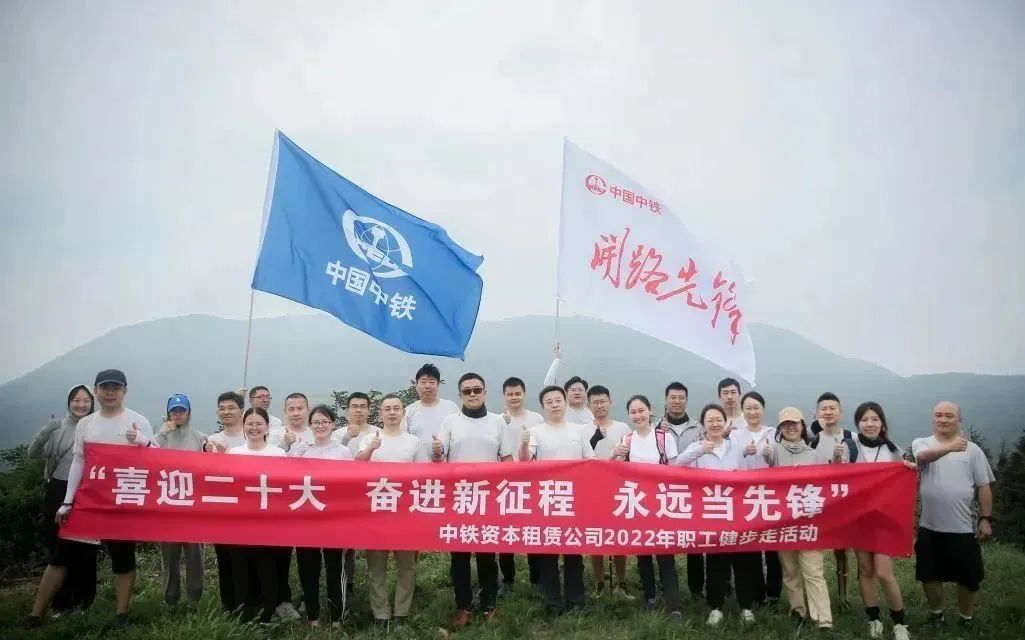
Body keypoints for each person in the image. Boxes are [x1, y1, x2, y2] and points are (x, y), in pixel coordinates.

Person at [28, 369, 157, 630]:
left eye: (115, 388)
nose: (110, 392)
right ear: (96, 391)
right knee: (62, 554)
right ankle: (35, 614)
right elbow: (78, 461)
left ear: (124, 391)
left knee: (123, 557)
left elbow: (157, 458)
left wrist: (142, 441)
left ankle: (121, 614)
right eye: (104, 387)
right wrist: (68, 501)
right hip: (88, 499)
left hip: (122, 500)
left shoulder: (138, 421)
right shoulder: (87, 424)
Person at [433, 373, 516, 629]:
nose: (472, 394)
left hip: (488, 498)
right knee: (459, 556)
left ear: (485, 393)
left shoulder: (498, 422)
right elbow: (439, 457)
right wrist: (437, 453)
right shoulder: (450, 422)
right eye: (467, 391)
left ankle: (489, 605)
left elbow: (507, 459)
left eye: (476, 390)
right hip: (458, 498)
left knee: (486, 555)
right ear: (460, 395)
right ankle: (463, 607)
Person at [912, 401, 994, 631]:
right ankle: (936, 615)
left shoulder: (973, 450)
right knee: (929, 575)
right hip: (929, 525)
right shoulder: (922, 443)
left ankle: (965, 618)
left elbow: (984, 486)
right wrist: (949, 448)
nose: (943, 419)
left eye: (949, 415)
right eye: (938, 415)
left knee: (968, 578)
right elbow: (923, 457)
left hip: (963, 526)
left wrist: (986, 519)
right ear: (933, 418)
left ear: (959, 419)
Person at [676, 403, 756, 626]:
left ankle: (746, 607)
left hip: (737, 512)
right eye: (710, 420)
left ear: (725, 422)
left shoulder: (736, 447)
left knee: (742, 561)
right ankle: (716, 607)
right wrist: (700, 450)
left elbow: (746, 475)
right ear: (703, 424)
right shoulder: (698, 448)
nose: (715, 424)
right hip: (711, 513)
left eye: (718, 420)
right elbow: (679, 463)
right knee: (715, 563)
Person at [520, 385, 596, 616]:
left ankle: (576, 600)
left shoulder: (578, 431)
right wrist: (523, 443)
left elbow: (590, 460)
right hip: (546, 498)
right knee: (548, 552)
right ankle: (553, 602)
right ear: (543, 406)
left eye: (558, 400)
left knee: (573, 551)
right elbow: (525, 462)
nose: (554, 405)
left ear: (565, 403)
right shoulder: (536, 431)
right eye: (549, 402)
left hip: (573, 498)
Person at [27, 385, 98, 615]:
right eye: (76, 400)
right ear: (69, 402)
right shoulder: (58, 428)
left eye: (86, 401)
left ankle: (84, 601)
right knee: (58, 546)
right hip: (58, 489)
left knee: (86, 547)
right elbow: (33, 453)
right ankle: (61, 602)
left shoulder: (96, 426)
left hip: (87, 491)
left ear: (92, 403)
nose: (81, 405)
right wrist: (46, 431)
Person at [611, 395, 682, 621]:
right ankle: (650, 597)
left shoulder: (664, 438)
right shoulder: (626, 440)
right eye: (633, 412)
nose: (638, 415)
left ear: (650, 410)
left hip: (661, 505)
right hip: (637, 505)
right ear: (629, 415)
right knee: (643, 555)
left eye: (641, 410)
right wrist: (615, 454)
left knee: (665, 556)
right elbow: (613, 471)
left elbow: (675, 472)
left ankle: (674, 604)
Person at [357, 395, 426, 625]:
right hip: (376, 511)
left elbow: (424, 475)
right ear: (380, 413)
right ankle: (381, 614)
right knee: (376, 565)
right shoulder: (370, 438)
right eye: (387, 409)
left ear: (403, 413)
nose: (392, 412)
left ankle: (401, 612)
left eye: (396, 408)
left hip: (405, 512)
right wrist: (370, 449)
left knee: (407, 564)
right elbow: (355, 467)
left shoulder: (413, 441)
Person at [762, 407, 833, 630]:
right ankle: (798, 611)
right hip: (784, 523)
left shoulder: (816, 455)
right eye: (785, 424)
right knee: (790, 571)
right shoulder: (774, 452)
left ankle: (823, 619)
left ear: (802, 426)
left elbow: (828, 485)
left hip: (809, 523)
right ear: (780, 429)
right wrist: (764, 455)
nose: (790, 427)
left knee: (814, 572)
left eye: (794, 423)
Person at [851, 402, 914, 640]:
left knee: (884, 572)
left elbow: (904, 478)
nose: (870, 424)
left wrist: (908, 467)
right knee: (866, 570)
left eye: (874, 419)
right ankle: (873, 618)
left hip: (884, 520)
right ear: (858, 423)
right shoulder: (849, 446)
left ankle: (900, 623)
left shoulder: (893, 450)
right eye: (864, 419)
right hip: (858, 518)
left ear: (882, 423)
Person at [289, 405, 352, 629]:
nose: (320, 426)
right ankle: (312, 617)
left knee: (336, 569)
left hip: (335, 519)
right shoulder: (300, 449)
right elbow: (287, 479)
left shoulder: (343, 452)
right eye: (316, 422)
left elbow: (351, 484)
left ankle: (337, 618)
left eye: (325, 421)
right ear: (310, 425)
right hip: (306, 519)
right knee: (308, 569)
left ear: (333, 424)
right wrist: (293, 456)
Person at [228, 408, 287, 624]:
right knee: (241, 568)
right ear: (243, 426)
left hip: (268, 524)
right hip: (240, 523)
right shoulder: (234, 454)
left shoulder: (278, 454)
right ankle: (244, 611)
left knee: (267, 568)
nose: (254, 428)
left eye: (259, 423)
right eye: (250, 424)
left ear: (267, 427)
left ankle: (266, 613)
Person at [730, 391, 782, 607]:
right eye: (748, 408)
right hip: (746, 497)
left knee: (772, 546)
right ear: (743, 411)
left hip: (770, 496)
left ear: (763, 409)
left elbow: (781, 465)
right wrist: (743, 452)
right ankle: (758, 593)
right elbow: (731, 463)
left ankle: (774, 593)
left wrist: (771, 456)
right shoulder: (736, 435)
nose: (752, 412)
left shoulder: (774, 433)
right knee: (751, 544)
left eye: (756, 407)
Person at [155, 394, 206, 608]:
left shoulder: (200, 437)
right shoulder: (160, 437)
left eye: (181, 410)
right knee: (169, 556)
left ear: (188, 412)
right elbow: (146, 455)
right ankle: (171, 600)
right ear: (168, 413)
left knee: (195, 555)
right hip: (167, 505)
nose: (177, 414)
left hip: (192, 507)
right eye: (174, 411)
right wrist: (162, 433)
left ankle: (195, 598)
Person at [656, 382, 704, 600]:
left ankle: (696, 588)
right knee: (665, 542)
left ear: (686, 400)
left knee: (695, 541)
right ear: (666, 400)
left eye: (681, 397)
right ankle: (667, 587)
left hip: (693, 492)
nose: (677, 401)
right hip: (664, 493)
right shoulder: (656, 428)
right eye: (673, 397)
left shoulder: (698, 428)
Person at [808, 392, 857, 604]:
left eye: (832, 408)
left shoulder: (853, 438)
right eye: (824, 409)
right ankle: (815, 593)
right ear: (816, 413)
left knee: (842, 550)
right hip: (818, 501)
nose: (828, 412)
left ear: (841, 412)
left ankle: (843, 596)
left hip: (844, 501)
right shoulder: (812, 440)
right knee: (813, 549)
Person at [585, 385, 633, 600]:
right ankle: (599, 583)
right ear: (589, 405)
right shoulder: (582, 430)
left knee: (619, 538)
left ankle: (621, 583)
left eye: (603, 401)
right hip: (592, 491)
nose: (599, 406)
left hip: (618, 490)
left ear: (610, 402)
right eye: (595, 402)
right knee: (595, 538)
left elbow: (631, 458)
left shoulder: (623, 428)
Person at [498, 377, 544, 596]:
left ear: (524, 394)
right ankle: (507, 579)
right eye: (510, 394)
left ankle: (537, 579)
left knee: (532, 530)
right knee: (505, 533)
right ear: (504, 396)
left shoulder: (536, 419)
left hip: (531, 483)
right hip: (504, 484)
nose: (514, 397)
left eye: (517, 393)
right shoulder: (497, 420)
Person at [266, 392, 310, 620]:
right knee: (280, 555)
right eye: (291, 409)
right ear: (284, 411)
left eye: (300, 408)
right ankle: (281, 600)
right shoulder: (274, 435)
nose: (296, 413)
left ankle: (308, 599)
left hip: (310, 502)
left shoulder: (315, 432)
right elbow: (267, 464)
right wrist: (285, 445)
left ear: (307, 409)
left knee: (307, 555)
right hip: (282, 504)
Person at [204, 391, 247, 614]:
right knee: (224, 558)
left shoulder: (251, 436)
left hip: (248, 508)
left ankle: (248, 603)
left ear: (242, 410)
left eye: (231, 407)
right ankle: (228, 605)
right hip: (222, 507)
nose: (226, 412)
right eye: (222, 408)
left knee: (247, 558)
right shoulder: (212, 440)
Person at [337, 391, 377, 596]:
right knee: (345, 543)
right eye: (354, 406)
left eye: (363, 406)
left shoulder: (378, 433)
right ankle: (347, 586)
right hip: (344, 495)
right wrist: (346, 437)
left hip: (373, 493)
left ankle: (376, 589)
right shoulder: (337, 434)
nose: (359, 410)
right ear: (347, 410)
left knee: (375, 542)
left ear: (369, 410)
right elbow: (331, 458)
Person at [404, 363, 459, 463]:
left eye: (432, 382)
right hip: (418, 467)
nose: (427, 386)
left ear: (438, 385)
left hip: (446, 467)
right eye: (423, 382)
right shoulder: (409, 411)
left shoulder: (451, 407)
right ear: (416, 385)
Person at [542, 343, 594, 424]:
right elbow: (548, 386)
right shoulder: (561, 410)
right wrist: (558, 359)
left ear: (586, 392)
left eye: (580, 390)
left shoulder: (592, 413)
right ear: (566, 393)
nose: (577, 393)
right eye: (573, 390)